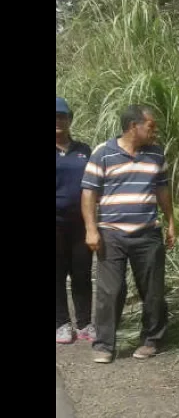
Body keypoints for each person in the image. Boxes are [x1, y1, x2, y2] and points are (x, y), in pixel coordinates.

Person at [81, 104, 177, 363]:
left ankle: (152, 340)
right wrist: (91, 229)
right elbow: (89, 192)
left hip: (147, 233)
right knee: (110, 291)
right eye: (151, 126)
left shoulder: (156, 154)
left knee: (153, 291)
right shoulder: (103, 153)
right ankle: (104, 345)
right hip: (111, 234)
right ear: (134, 126)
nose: (155, 131)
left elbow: (162, 190)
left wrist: (171, 222)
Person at [56, 97, 95, 344]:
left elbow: (93, 183)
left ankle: (84, 323)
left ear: (70, 120)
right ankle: (61, 324)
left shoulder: (84, 150)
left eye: (62, 116)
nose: (58, 121)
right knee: (57, 274)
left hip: (81, 222)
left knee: (82, 273)